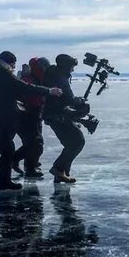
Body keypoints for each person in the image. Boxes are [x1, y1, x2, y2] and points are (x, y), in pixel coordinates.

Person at [0, 51, 62, 194]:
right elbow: (23, 87)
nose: (14, 67)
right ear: (8, 63)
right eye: (13, 64)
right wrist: (49, 91)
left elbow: (9, 93)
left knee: (6, 150)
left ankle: (4, 182)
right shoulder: (2, 75)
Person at [43, 54, 89, 183]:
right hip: (58, 116)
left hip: (53, 115)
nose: (72, 70)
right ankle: (58, 168)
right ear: (66, 67)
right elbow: (69, 99)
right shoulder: (60, 79)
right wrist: (80, 102)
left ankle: (62, 173)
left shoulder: (53, 75)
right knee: (77, 141)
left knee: (69, 144)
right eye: (71, 67)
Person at [11, 57, 51, 178]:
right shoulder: (28, 79)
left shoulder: (38, 79)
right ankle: (25, 165)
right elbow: (30, 96)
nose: (45, 70)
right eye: (43, 68)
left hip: (34, 115)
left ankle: (28, 165)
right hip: (26, 116)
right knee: (35, 143)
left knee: (34, 143)